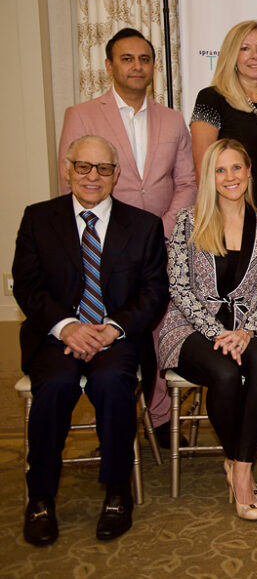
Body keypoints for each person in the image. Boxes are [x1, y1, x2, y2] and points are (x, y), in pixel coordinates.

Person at [13, 135, 169, 546]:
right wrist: (66, 326)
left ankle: (117, 492)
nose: (92, 176)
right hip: (57, 338)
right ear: (67, 170)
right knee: (56, 384)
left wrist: (113, 328)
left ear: (116, 175)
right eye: (83, 166)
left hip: (116, 337)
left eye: (103, 168)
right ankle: (40, 497)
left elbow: (155, 293)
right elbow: (27, 287)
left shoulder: (144, 226)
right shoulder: (38, 219)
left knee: (112, 382)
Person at [59, 27, 198, 450]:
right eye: (127, 58)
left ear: (153, 66)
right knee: (110, 327)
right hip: (105, 247)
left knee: (158, 326)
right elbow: (72, 183)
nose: (137, 66)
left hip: (161, 242)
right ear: (109, 65)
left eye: (144, 59)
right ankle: (113, 419)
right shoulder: (82, 115)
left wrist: (162, 230)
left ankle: (160, 417)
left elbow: (186, 182)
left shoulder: (172, 119)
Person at [156, 139, 257, 521]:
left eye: (236, 167)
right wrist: (215, 332)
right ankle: (238, 465)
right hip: (191, 325)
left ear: (249, 171)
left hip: (250, 325)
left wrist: (245, 332)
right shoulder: (188, 221)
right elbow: (179, 288)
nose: (230, 177)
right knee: (225, 373)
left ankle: (240, 466)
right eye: (220, 170)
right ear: (209, 177)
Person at [191, 20, 257, 229]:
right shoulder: (211, 99)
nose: (254, 55)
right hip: (232, 223)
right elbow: (203, 170)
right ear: (232, 56)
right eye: (244, 48)